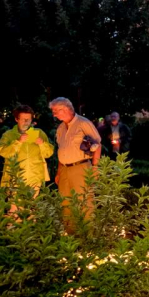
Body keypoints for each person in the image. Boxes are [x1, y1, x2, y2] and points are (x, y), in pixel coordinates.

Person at [50, 97, 101, 232]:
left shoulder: (83, 123)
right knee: (65, 203)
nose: (54, 114)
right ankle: (71, 238)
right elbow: (62, 150)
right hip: (65, 170)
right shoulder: (61, 128)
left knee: (84, 202)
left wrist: (95, 168)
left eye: (55, 111)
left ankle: (88, 237)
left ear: (65, 109)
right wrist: (59, 172)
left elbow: (97, 145)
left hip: (81, 167)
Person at [0, 105, 55, 201]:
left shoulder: (39, 133)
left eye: (28, 119)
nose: (26, 122)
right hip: (14, 179)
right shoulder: (8, 135)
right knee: (15, 211)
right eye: (23, 119)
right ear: (16, 119)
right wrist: (18, 142)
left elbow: (48, 153)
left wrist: (42, 144)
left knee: (31, 211)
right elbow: (2, 152)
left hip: (35, 179)